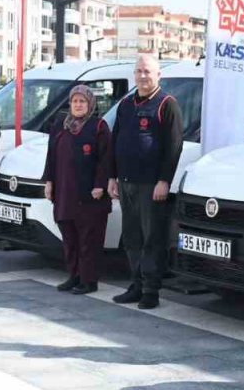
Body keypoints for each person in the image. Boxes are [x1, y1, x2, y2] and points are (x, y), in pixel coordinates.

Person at [108, 55, 183, 310]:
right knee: (131, 237)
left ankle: (151, 290)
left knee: (152, 238)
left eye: (147, 71)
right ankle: (136, 284)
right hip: (126, 181)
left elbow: (173, 148)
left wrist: (164, 181)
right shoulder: (126, 104)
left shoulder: (167, 104)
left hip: (151, 185)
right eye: (138, 70)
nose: (142, 75)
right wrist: (112, 177)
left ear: (158, 75)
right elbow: (115, 141)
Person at [44, 85, 112, 294]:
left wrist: (100, 184)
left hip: (90, 195)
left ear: (90, 104)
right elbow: (51, 156)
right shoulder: (60, 125)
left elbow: (106, 159)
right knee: (70, 239)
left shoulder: (99, 126)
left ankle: (89, 280)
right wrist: (48, 181)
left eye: (83, 101)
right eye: (75, 101)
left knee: (88, 240)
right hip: (64, 193)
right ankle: (73, 276)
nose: (78, 105)